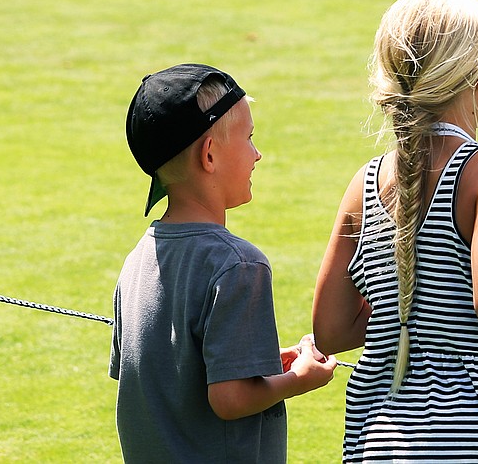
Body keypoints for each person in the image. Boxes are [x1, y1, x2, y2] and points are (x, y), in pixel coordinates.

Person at [312, 0, 478, 463]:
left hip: (378, 439)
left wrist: (411, 316)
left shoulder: (365, 182)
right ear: (475, 75)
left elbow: (330, 329)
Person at [111, 63, 337, 462]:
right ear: (210, 155)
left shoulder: (136, 259)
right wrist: (299, 378)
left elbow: (162, 376)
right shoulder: (238, 265)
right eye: (249, 139)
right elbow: (230, 399)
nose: (258, 153)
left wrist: (258, 362)